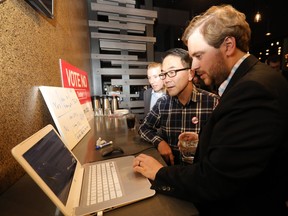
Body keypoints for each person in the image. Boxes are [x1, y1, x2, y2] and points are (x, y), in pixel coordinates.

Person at [133, 5, 288, 215]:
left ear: (228, 45)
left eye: (198, 55)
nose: (193, 66)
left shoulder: (253, 89)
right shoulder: (248, 82)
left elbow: (216, 180)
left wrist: (160, 173)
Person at [138, 48, 219, 165]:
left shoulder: (213, 102)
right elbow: (144, 128)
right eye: (163, 74)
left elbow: (225, 143)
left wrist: (202, 142)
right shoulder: (162, 103)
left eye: (172, 72)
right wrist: (159, 142)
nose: (166, 79)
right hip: (172, 171)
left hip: (202, 174)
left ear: (190, 74)